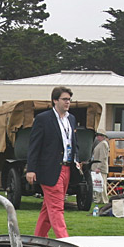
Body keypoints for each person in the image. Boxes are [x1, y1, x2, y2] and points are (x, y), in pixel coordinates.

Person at [26, 86, 79, 239]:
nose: (67, 102)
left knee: (48, 207)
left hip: (67, 168)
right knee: (56, 207)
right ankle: (65, 240)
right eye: (64, 99)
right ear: (55, 100)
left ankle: (39, 238)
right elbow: (34, 145)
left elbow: (74, 142)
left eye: (69, 99)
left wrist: (77, 159)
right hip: (49, 169)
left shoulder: (71, 119)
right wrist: (31, 169)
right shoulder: (43, 118)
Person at [91, 130, 109, 204]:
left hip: (101, 168)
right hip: (97, 167)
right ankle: (99, 199)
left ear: (102, 136)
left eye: (98, 135)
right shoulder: (100, 144)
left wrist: (99, 167)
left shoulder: (103, 144)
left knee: (102, 184)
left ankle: (104, 199)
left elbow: (102, 157)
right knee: (98, 184)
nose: (97, 137)